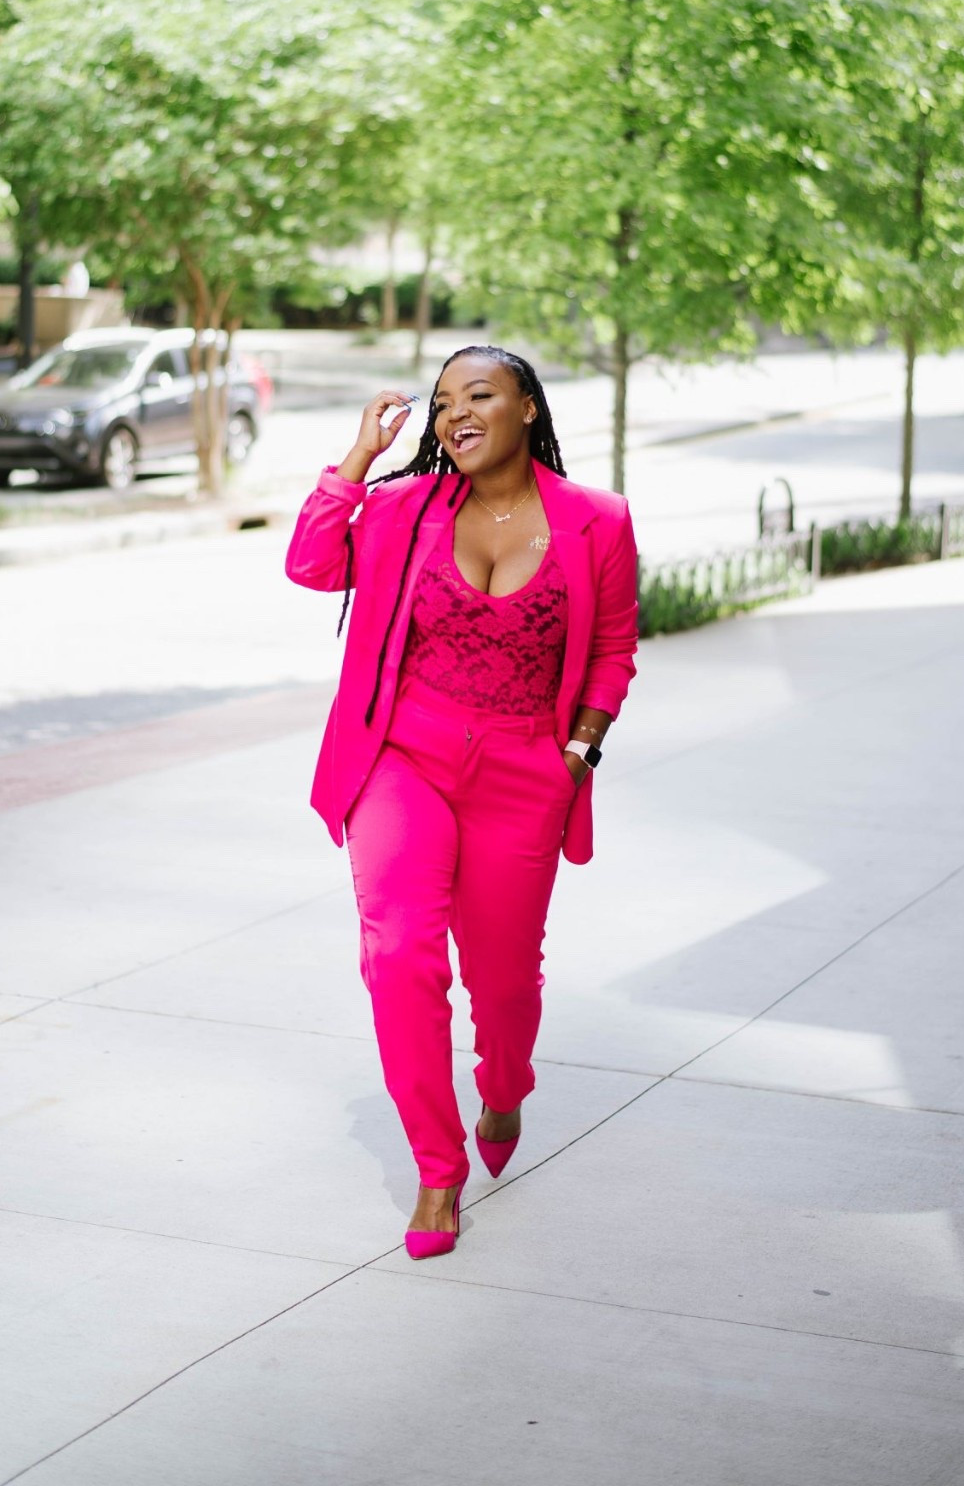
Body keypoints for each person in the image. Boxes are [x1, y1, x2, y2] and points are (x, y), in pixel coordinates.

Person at [285, 345, 639, 1258]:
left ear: (527, 407)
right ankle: (435, 1171)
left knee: (505, 977)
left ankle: (505, 1082)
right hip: (401, 754)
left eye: (479, 395)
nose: (456, 415)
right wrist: (356, 460)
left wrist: (574, 754)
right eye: (443, 403)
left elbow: (611, 651)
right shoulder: (403, 508)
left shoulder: (597, 522)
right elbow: (312, 566)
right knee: (399, 953)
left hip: (526, 766)